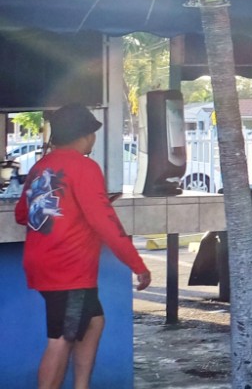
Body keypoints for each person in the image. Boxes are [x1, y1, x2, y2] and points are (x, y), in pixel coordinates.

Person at [14, 105, 150, 389]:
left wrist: (72, 205)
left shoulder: (41, 166)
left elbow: (22, 214)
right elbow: (104, 223)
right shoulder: (85, 167)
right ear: (86, 136)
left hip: (45, 264)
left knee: (93, 322)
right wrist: (137, 265)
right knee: (62, 338)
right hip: (69, 270)